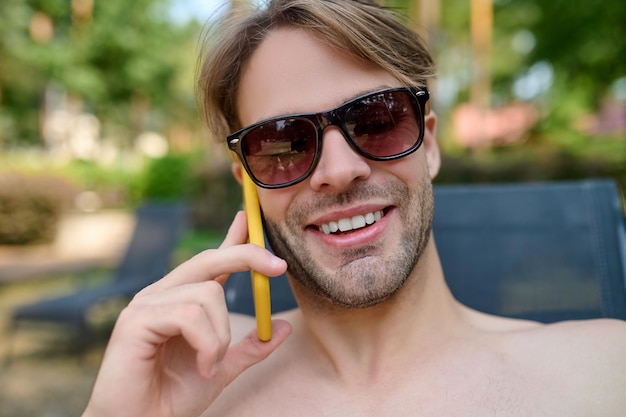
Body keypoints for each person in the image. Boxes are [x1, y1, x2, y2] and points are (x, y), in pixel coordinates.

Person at [82, 1, 626, 416]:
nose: (340, 170)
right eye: (284, 143)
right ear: (247, 180)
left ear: (429, 145)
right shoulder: (194, 383)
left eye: (378, 119)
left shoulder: (603, 371)